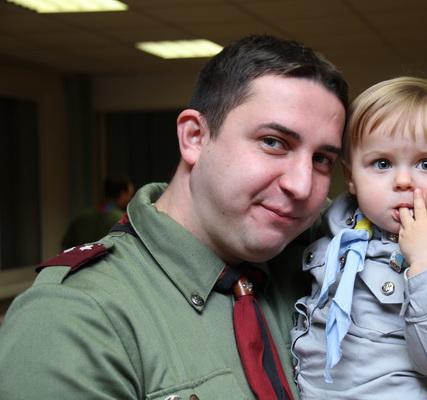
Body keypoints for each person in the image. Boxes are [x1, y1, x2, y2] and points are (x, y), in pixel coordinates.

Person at [0, 34, 348, 399]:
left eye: (321, 159)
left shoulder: (321, 264)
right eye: (273, 142)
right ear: (194, 137)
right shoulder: (77, 315)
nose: (302, 185)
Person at [290, 77, 427, 399]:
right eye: (382, 163)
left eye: (426, 164)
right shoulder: (326, 231)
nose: (403, 180)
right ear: (351, 177)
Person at [61, 174, 135, 249]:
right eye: (129, 195)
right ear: (122, 194)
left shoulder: (81, 217)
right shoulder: (123, 221)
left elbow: (66, 247)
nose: (130, 199)